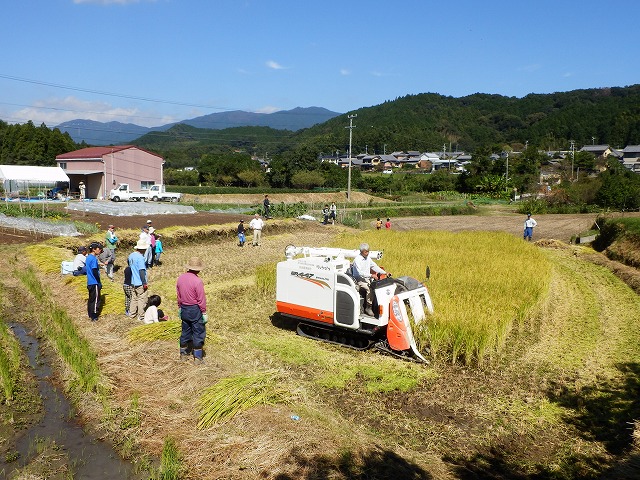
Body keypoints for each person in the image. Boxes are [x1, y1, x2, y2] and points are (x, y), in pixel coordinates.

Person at [176, 257, 207, 364]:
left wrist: (180, 307)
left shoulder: (180, 278)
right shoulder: (197, 281)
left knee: (185, 330)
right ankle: (198, 357)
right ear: (198, 269)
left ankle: (183, 354)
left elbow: (178, 295)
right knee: (198, 332)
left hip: (184, 308)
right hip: (195, 309)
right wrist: (203, 312)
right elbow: (201, 299)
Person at [351, 243, 388, 317]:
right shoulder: (357, 260)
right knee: (369, 288)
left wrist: (385, 272)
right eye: (366, 252)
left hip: (367, 278)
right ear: (361, 252)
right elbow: (360, 273)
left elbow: (374, 266)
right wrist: (371, 275)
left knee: (376, 286)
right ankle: (368, 307)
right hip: (358, 279)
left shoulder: (368, 258)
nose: (367, 253)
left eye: (368, 251)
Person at [128, 239, 149, 322]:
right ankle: (141, 316)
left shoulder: (131, 255)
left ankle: (132, 314)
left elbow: (129, 265)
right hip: (140, 282)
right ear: (143, 249)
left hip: (133, 281)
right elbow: (141, 271)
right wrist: (144, 283)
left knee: (134, 298)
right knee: (142, 299)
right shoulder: (140, 258)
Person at [86, 242, 103, 321]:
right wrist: (99, 282)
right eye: (99, 249)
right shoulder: (93, 259)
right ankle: (94, 316)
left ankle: (90, 313)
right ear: (94, 249)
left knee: (91, 299)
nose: (100, 250)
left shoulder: (88, 257)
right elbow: (94, 270)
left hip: (89, 282)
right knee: (96, 299)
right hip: (94, 282)